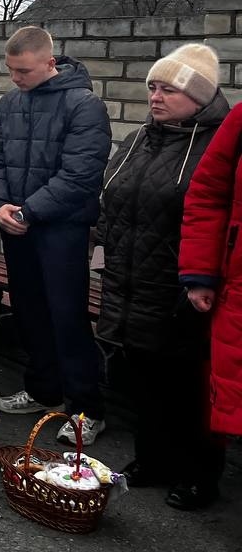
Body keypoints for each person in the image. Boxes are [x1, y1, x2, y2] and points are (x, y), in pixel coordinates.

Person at [95, 44, 227, 512]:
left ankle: (199, 475)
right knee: (144, 380)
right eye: (153, 86)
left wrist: (198, 277)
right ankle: (152, 460)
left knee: (189, 388)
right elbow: (111, 201)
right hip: (129, 280)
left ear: (200, 97)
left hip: (182, 289)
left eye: (169, 89)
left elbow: (213, 215)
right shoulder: (139, 140)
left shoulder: (214, 146)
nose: (156, 96)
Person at [0, 26, 110, 444]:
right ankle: (42, 389)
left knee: (67, 316)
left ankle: (86, 408)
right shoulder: (10, 103)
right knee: (29, 310)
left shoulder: (85, 105)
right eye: (11, 70)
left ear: (50, 63)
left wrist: (29, 211)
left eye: (23, 70)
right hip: (16, 227)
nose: (16, 78)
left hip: (61, 231)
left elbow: (80, 175)